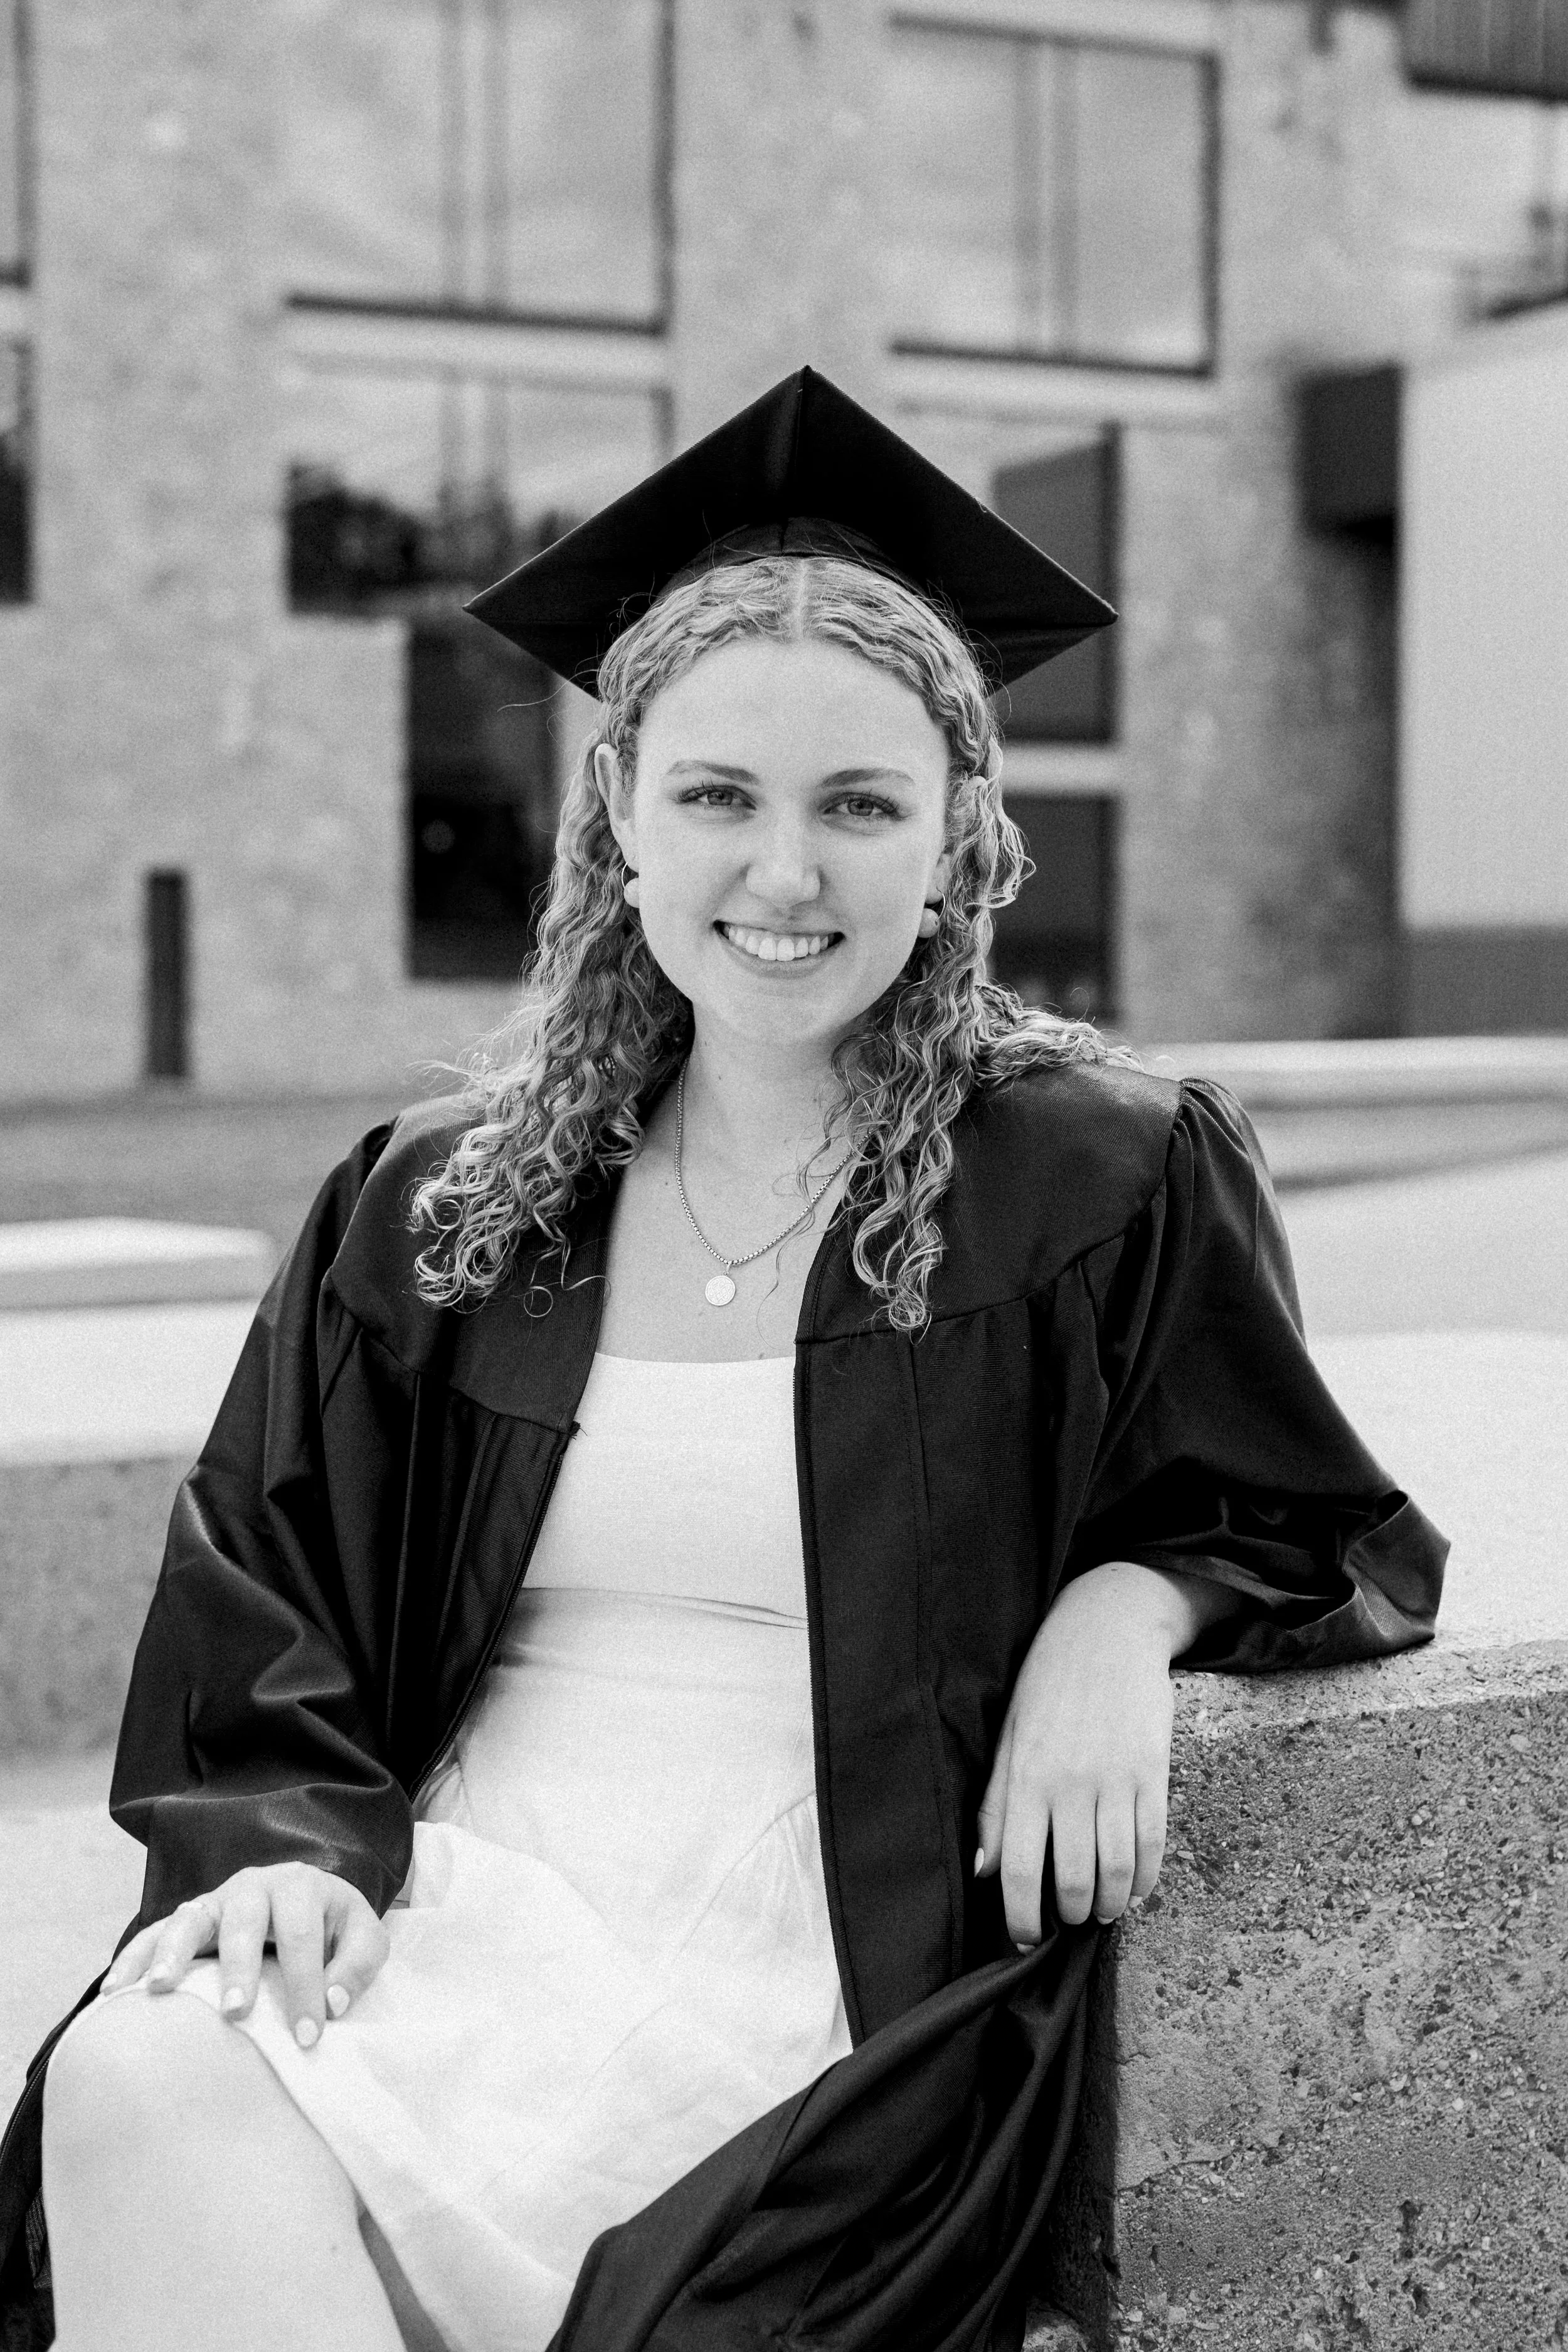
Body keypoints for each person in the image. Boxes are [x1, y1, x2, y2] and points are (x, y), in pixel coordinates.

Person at [0, 370, 1446, 2352]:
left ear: (959, 834)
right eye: (717, 797)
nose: (785, 874)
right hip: (462, 1896)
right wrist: (272, 1843)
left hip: (826, 1960)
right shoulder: (442, 1200)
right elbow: (266, 1584)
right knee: (146, 2072)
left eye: (859, 803)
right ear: (619, 812)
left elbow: (1304, 1516)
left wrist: (1123, 1609)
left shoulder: (1100, 1171)